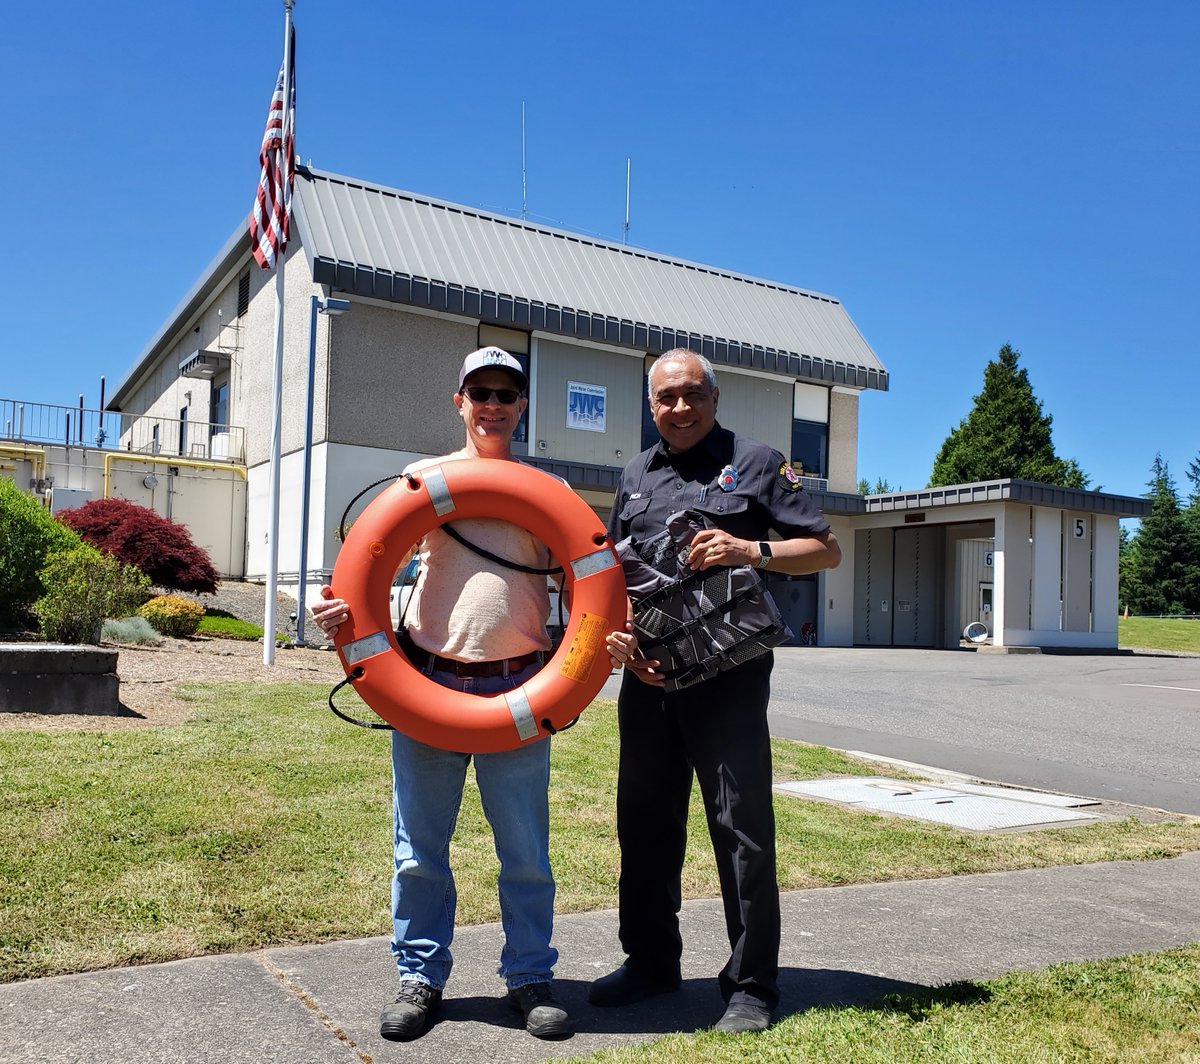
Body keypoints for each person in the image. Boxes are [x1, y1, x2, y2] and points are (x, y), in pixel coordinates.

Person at [312, 346, 636, 1043]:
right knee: (417, 853)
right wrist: (339, 614)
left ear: (522, 405)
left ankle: (530, 978)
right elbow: (372, 565)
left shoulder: (550, 491)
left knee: (525, 853)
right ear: (459, 401)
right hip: (426, 685)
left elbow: (588, 586)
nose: (493, 405)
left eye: (506, 394)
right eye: (480, 393)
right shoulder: (422, 480)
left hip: (520, 687)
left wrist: (606, 641)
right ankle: (420, 978)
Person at [589, 348, 842, 1033]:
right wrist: (621, 642)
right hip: (650, 681)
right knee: (644, 823)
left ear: (715, 397)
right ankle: (650, 963)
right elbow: (614, 577)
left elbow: (825, 548)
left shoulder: (758, 463)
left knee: (741, 828)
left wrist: (750, 549)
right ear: (651, 405)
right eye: (666, 397)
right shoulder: (635, 474)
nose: (680, 407)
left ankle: (752, 985)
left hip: (728, 680)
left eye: (692, 394)